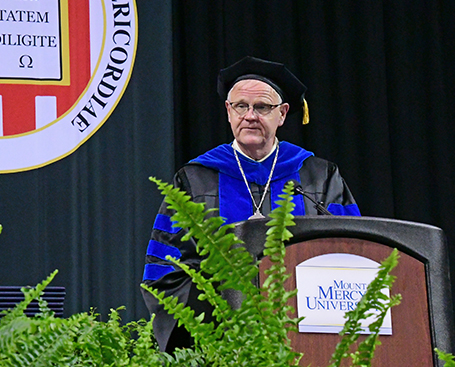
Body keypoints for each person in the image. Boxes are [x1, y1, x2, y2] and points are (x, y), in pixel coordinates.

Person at [142, 56, 360, 351]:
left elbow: (349, 257)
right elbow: (165, 270)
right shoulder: (195, 180)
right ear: (228, 112)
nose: (250, 116)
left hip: (308, 336)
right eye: (241, 106)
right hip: (221, 340)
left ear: (282, 114)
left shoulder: (318, 177)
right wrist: (223, 302)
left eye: (262, 107)